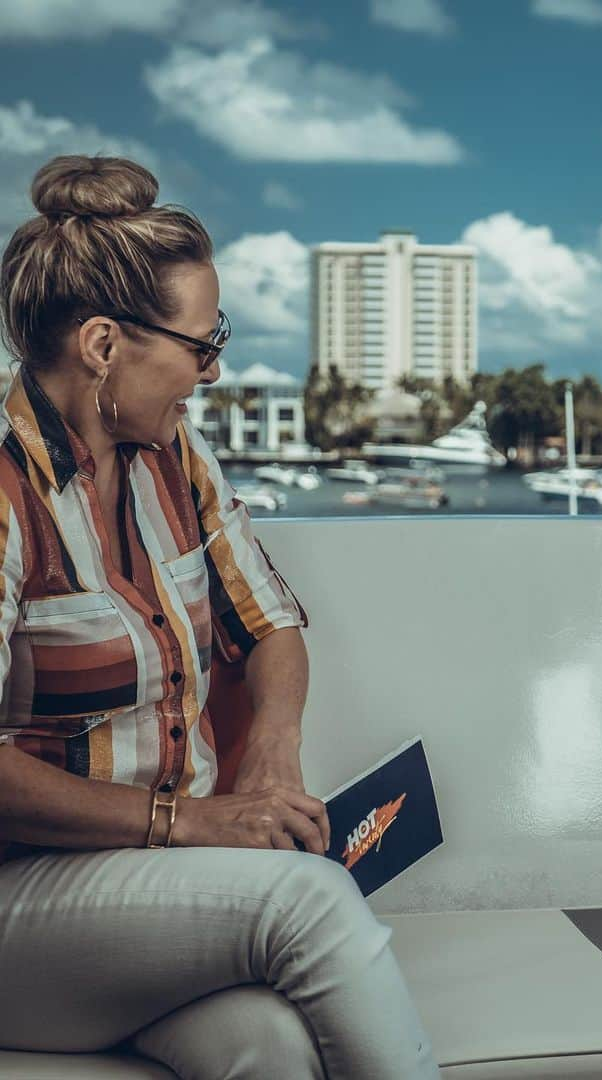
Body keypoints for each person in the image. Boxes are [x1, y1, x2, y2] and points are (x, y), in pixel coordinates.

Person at [0, 155, 438, 1079]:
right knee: (310, 903)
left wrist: (272, 756)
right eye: (200, 345)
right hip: (24, 895)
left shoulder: (171, 456)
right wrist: (193, 825)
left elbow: (269, 622)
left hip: (152, 892)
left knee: (272, 1052)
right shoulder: (5, 491)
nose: (212, 368)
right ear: (103, 344)